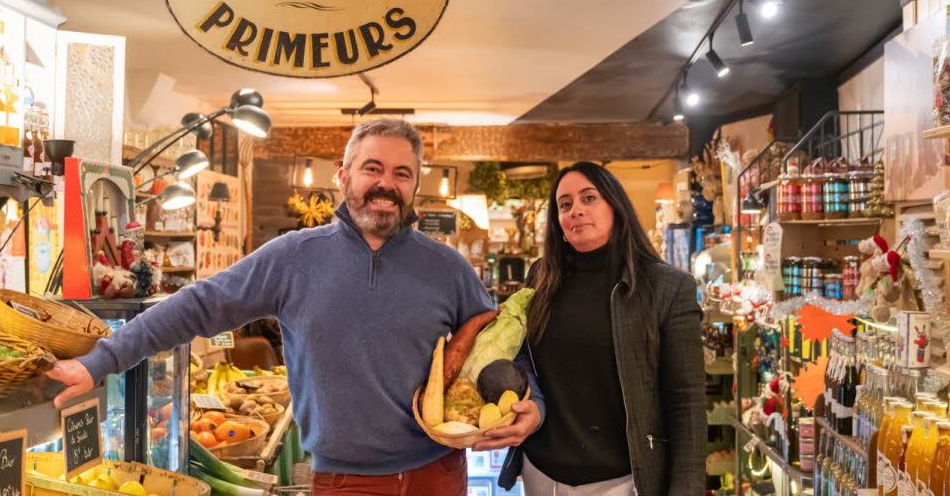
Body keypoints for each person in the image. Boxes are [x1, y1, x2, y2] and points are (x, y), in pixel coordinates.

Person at [48, 119, 544, 496]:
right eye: (372, 168)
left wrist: (533, 407)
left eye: (401, 173)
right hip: (342, 481)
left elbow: (504, 350)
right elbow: (198, 305)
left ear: (415, 185)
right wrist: (100, 361)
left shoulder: (448, 268)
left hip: (437, 476)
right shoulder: (293, 257)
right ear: (344, 175)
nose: (385, 183)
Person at [497, 162, 706, 496]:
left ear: (616, 207)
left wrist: (686, 488)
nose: (575, 210)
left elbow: (686, 402)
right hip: (542, 475)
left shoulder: (666, 287)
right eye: (565, 205)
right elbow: (523, 358)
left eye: (588, 198)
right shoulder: (541, 278)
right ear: (558, 223)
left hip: (625, 480)